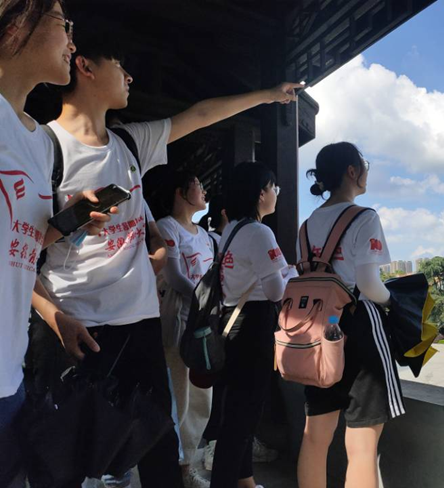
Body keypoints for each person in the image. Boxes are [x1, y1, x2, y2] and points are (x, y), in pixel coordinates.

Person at [31, 25, 301, 487]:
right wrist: (56, 316)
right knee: (66, 462)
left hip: (139, 321)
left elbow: (201, 114)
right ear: (86, 66)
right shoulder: (42, 147)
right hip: (74, 324)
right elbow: (16, 250)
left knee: (159, 450)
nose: (130, 77)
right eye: (121, 65)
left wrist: (268, 95)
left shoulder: (131, 143)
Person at [0, 3, 112, 486]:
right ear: (15, 25)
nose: (72, 40)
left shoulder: (39, 142)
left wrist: (69, 222)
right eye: (62, 24)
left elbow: (21, 245)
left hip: (10, 377)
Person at [296, 142, 403, 488]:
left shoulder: (307, 225)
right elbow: (368, 283)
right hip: (358, 326)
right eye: (364, 164)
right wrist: (393, 303)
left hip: (317, 329)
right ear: (352, 171)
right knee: (362, 446)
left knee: (315, 436)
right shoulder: (364, 217)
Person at [211, 162, 294, 488]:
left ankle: (244, 481)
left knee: (236, 410)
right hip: (255, 326)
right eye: (274, 187)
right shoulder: (260, 232)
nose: (276, 193)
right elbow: (275, 292)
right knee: (243, 417)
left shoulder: (231, 230)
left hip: (232, 322)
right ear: (261, 193)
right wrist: (290, 275)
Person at [156, 171, 214, 488]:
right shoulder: (167, 227)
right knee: (179, 398)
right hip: (179, 324)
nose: (203, 190)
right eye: (198, 185)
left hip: (203, 326)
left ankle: (186, 465)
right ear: (180, 192)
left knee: (201, 399)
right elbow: (174, 276)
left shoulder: (204, 234)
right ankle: (173, 468)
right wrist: (206, 300)